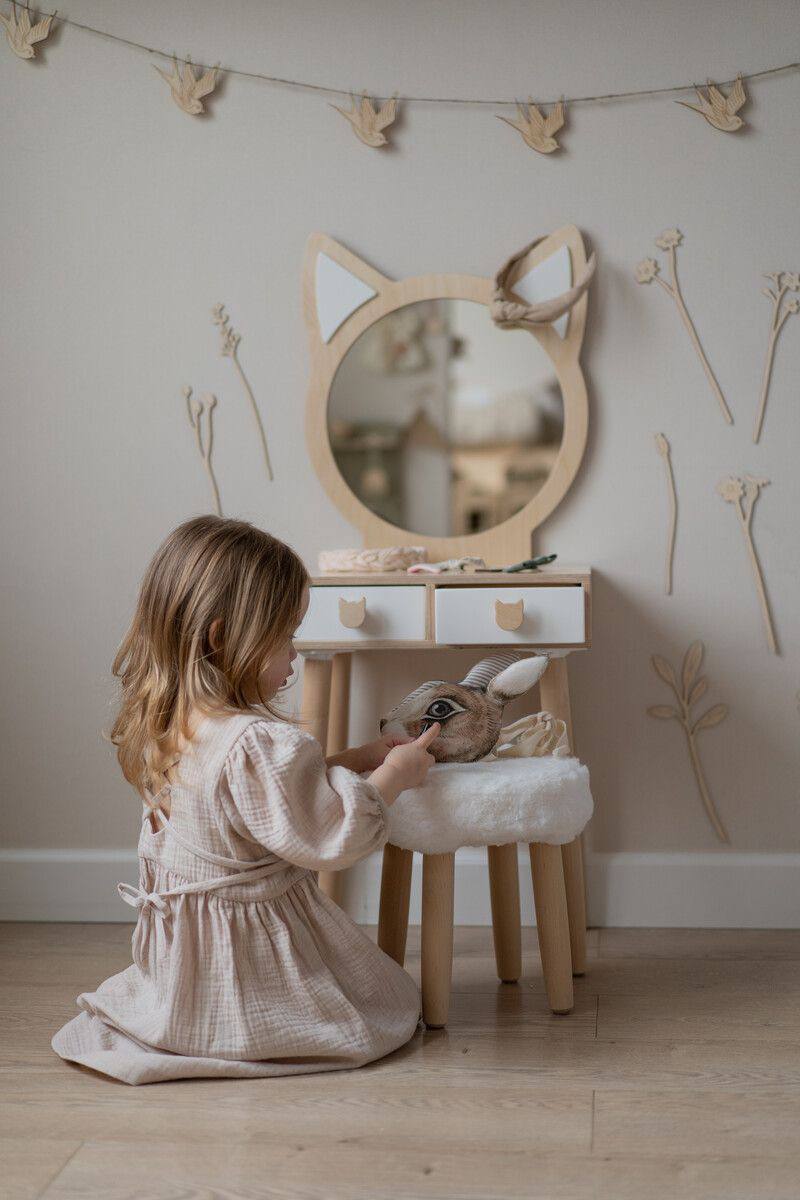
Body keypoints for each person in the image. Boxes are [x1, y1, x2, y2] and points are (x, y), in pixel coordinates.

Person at [51, 515, 438, 1085]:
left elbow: (256, 809)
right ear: (219, 637)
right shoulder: (260, 741)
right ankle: (258, 1026)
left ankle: (184, 1019)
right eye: (286, 638)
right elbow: (328, 836)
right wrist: (394, 777)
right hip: (247, 962)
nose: (295, 658)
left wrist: (356, 758)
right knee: (384, 1007)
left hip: (184, 961)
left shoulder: (174, 721)